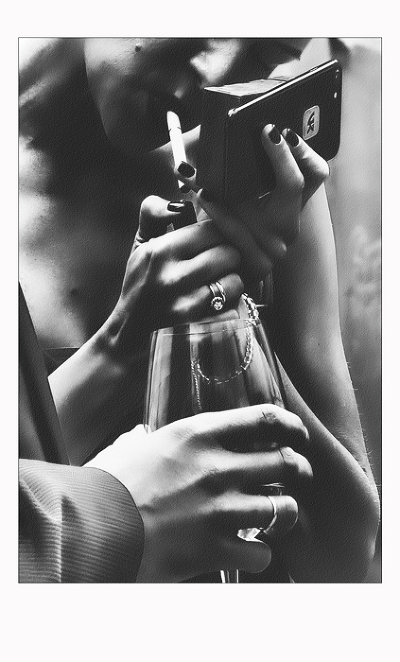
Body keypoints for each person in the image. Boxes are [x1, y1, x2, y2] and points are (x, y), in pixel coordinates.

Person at [19, 38, 380, 582]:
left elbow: (343, 554)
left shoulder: (251, 175)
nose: (213, 74)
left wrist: (232, 314)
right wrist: (126, 347)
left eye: (264, 56)